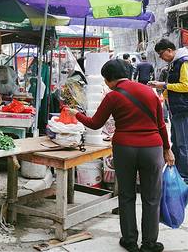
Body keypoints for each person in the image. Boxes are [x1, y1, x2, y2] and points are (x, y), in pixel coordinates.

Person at [65, 59, 173, 252]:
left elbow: (95, 124)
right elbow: (161, 125)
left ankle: (130, 241)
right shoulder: (150, 92)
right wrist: (167, 148)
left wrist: (76, 114)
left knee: (126, 195)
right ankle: (149, 244)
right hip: (152, 148)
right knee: (151, 197)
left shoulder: (112, 96)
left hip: (125, 148)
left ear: (109, 79)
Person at [150, 39, 188, 183]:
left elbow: (186, 86)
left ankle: (184, 177)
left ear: (169, 50)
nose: (161, 57)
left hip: (183, 109)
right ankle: (178, 173)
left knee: (183, 144)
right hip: (176, 109)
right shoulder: (174, 63)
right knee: (176, 142)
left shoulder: (183, 62)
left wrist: (164, 85)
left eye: (161, 54)